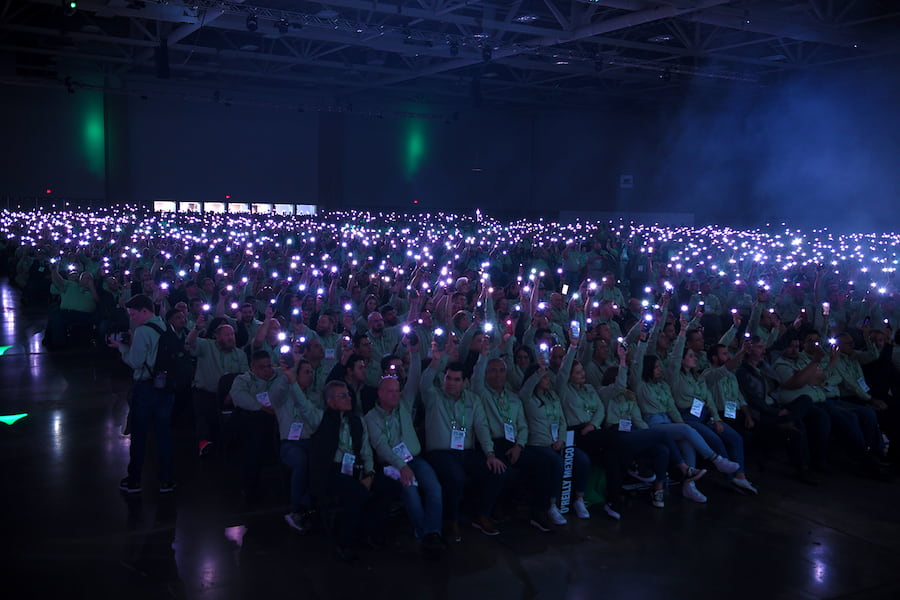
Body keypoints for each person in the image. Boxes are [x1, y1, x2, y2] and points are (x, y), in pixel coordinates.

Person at [420, 347, 508, 542]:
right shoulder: (433, 396)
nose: (451, 383)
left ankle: (481, 515)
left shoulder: (473, 400)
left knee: (498, 471)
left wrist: (490, 454)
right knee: (456, 477)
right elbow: (425, 383)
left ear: (464, 382)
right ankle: (451, 521)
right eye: (448, 378)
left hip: (466, 452)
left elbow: (482, 427)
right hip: (440, 452)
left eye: (456, 379)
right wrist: (435, 361)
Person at [364, 376, 445, 555]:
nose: (396, 395)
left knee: (434, 487)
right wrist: (401, 466)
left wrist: (415, 353)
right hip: (392, 465)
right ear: (380, 393)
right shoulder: (371, 417)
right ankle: (425, 534)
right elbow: (381, 447)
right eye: (391, 391)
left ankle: (432, 532)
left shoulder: (404, 406)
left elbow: (414, 381)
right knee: (410, 491)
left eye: (397, 391)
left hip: (415, 459)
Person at [307, 380, 382, 561]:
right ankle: (345, 541)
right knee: (356, 493)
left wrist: (370, 474)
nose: (349, 398)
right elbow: (303, 404)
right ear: (330, 401)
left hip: (355, 468)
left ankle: (366, 533)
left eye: (348, 394)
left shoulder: (357, 421)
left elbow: (366, 451)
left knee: (386, 487)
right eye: (342, 396)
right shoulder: (321, 419)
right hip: (330, 472)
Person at [111, 294, 175, 494]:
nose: (132, 318)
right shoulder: (167, 327)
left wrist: (121, 347)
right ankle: (166, 480)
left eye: (134, 314)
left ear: (145, 311)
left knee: (139, 435)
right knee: (163, 434)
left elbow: (135, 361)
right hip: (166, 386)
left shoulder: (142, 331)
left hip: (146, 387)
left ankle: (134, 480)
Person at [187, 315, 249, 456]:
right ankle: (204, 444)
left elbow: (244, 377)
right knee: (203, 413)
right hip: (206, 392)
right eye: (227, 334)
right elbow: (190, 342)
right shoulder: (206, 345)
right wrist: (197, 328)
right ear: (218, 337)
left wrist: (233, 394)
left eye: (232, 334)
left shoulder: (240, 354)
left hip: (231, 396)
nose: (231, 337)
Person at [229, 351, 285, 500]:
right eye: (262, 367)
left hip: (277, 417)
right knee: (253, 431)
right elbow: (238, 396)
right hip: (253, 420)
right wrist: (260, 407)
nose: (267, 370)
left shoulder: (279, 375)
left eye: (269, 366)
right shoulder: (243, 379)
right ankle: (250, 486)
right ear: (253, 367)